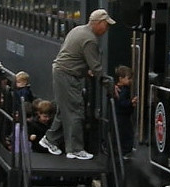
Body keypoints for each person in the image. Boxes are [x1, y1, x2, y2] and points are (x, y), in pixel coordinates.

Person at [40, 9, 115, 160]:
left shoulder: (78, 30)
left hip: (62, 72)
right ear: (99, 23)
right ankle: (74, 149)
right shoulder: (90, 40)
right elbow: (96, 67)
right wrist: (108, 84)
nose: (107, 29)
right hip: (68, 75)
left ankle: (50, 139)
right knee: (75, 110)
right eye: (106, 25)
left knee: (65, 110)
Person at [113, 65, 136, 156]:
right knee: (127, 134)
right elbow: (121, 103)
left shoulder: (118, 88)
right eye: (128, 78)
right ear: (121, 78)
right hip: (123, 116)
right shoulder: (123, 90)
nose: (130, 80)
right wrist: (131, 102)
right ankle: (125, 151)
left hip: (121, 115)